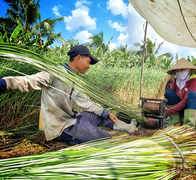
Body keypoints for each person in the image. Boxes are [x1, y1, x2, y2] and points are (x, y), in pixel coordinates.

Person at [0, 45, 136, 145]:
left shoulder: (76, 81)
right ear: (78, 58)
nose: (89, 66)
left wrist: (107, 113)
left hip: (73, 120)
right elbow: (29, 81)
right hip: (62, 128)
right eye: (88, 62)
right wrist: (3, 84)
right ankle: (95, 133)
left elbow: (87, 103)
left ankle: (125, 127)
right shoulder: (54, 72)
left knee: (96, 114)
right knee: (103, 138)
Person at [164, 58, 196, 129]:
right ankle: (175, 121)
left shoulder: (194, 81)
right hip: (181, 110)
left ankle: (189, 126)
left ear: (188, 70)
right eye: (178, 70)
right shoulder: (176, 81)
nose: (180, 72)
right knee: (168, 92)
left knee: (191, 94)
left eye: (182, 69)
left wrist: (169, 111)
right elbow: (170, 97)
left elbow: (186, 100)